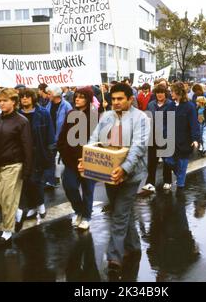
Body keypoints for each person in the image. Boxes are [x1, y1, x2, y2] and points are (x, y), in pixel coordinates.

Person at [78, 82, 150, 279]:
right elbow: (94, 139)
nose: (116, 102)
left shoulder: (141, 118)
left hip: (131, 175)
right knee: (123, 212)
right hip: (109, 174)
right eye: (113, 99)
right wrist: (86, 158)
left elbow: (138, 148)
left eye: (120, 99)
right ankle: (134, 246)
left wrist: (124, 169)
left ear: (130, 99)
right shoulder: (106, 116)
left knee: (118, 214)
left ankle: (114, 258)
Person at [0, 88, 32, 246]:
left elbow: (27, 146)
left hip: (13, 165)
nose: (1, 103)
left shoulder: (22, 121)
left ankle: (7, 232)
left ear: (14, 101)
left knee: (7, 200)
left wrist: (26, 170)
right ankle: (18, 212)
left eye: (5, 100)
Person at [58, 87, 97, 230]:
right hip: (70, 159)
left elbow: (97, 139)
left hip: (88, 159)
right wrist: (62, 150)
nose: (77, 99)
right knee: (70, 186)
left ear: (88, 99)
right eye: (76, 96)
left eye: (81, 97)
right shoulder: (71, 113)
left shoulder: (94, 115)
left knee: (88, 189)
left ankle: (86, 216)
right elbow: (63, 134)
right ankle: (79, 211)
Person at [17, 88, 54, 225]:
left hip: (38, 152)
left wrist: (50, 152)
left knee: (35, 180)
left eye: (27, 97)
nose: (25, 99)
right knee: (26, 181)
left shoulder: (43, 113)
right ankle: (33, 207)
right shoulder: (17, 113)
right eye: (22, 97)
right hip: (22, 153)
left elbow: (50, 132)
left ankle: (40, 204)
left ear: (33, 98)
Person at [164, 82, 200, 191]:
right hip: (172, 139)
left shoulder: (189, 106)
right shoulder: (170, 105)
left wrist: (195, 139)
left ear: (178, 92)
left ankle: (180, 186)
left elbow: (194, 123)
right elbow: (165, 121)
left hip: (185, 139)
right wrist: (165, 133)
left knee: (183, 163)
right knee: (168, 160)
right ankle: (180, 176)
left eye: (172, 91)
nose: (170, 93)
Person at [141, 84, 173, 193]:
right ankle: (150, 183)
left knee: (167, 160)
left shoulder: (170, 104)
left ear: (165, 94)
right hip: (152, 136)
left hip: (165, 136)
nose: (159, 94)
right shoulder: (151, 105)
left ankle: (168, 181)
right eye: (158, 92)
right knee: (152, 161)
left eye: (162, 92)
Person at [44, 87, 73, 187]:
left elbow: (70, 123)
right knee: (50, 158)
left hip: (62, 138)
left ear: (56, 95)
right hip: (51, 137)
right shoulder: (49, 104)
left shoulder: (66, 106)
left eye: (49, 93)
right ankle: (51, 180)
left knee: (65, 159)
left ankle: (67, 179)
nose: (47, 96)